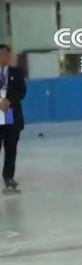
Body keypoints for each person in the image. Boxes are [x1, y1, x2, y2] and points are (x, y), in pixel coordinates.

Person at [0, 44, 26, 193]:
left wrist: (9, 101)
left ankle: (8, 177)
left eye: (5, 54)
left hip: (10, 112)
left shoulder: (16, 73)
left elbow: (22, 91)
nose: (3, 57)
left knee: (10, 147)